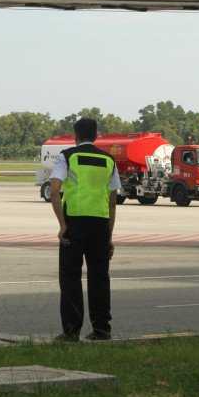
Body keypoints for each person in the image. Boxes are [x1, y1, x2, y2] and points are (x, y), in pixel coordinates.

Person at [49, 118, 122, 341]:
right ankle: (102, 329)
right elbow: (112, 201)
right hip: (100, 224)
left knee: (70, 277)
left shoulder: (68, 156)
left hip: (75, 223)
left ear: (76, 135)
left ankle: (71, 331)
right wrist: (109, 236)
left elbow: (54, 190)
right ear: (96, 135)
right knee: (100, 278)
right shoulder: (108, 160)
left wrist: (62, 225)